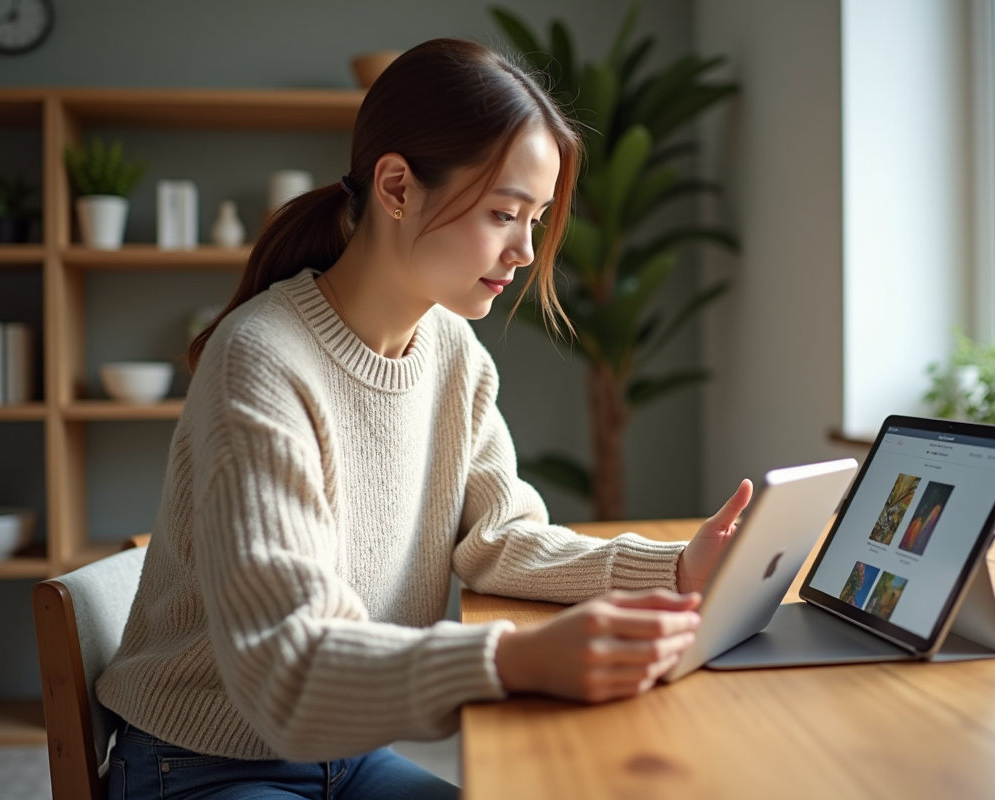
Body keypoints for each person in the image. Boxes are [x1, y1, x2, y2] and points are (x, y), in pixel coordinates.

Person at [95, 38, 752, 800]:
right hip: (203, 763)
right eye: (505, 213)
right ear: (398, 187)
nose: (524, 251)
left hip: (350, 751)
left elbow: (499, 539)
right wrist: (513, 660)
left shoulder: (452, 353)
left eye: (536, 219)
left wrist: (675, 568)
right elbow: (288, 674)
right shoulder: (261, 361)